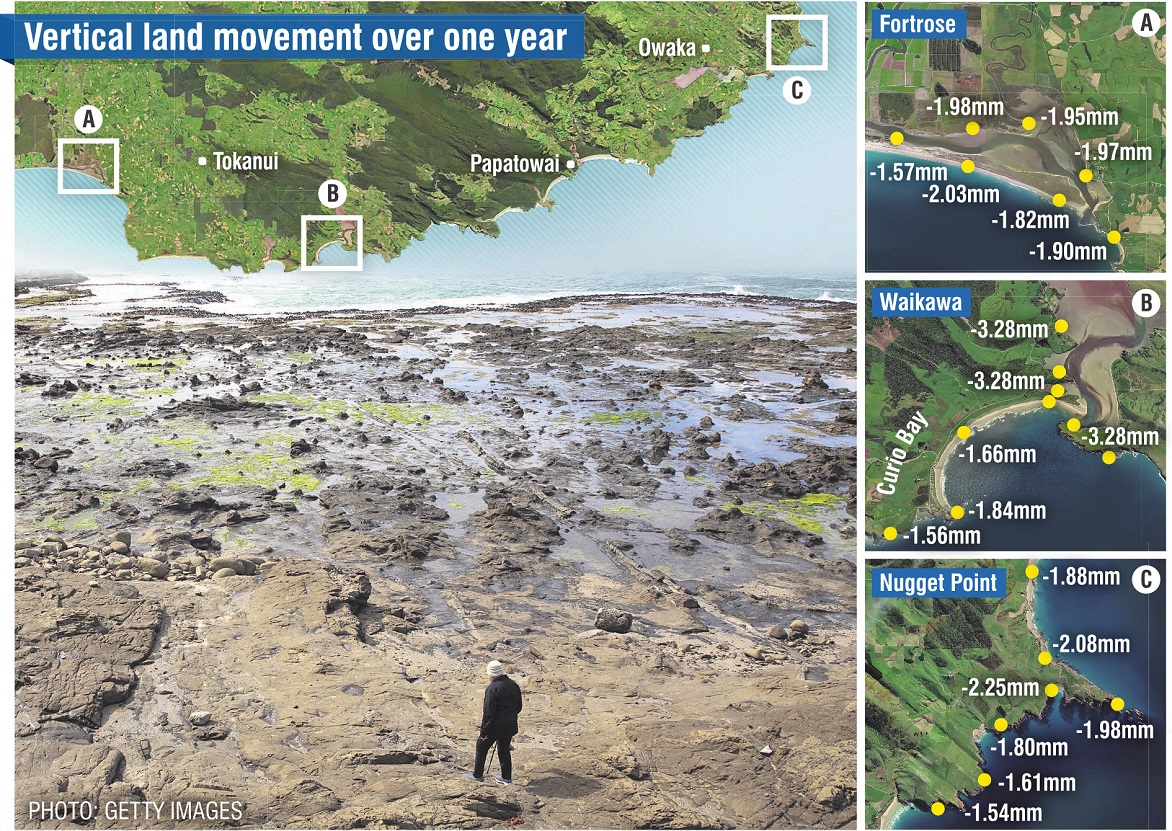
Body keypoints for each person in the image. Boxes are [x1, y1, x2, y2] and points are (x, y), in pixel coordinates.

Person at [465, 660, 522, 784]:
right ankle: (506, 777)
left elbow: (488, 713)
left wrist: (483, 731)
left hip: (495, 726)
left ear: (490, 674)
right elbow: (519, 707)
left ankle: (478, 775)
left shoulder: (492, 688)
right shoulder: (513, 685)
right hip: (510, 725)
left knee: (481, 745)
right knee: (504, 749)